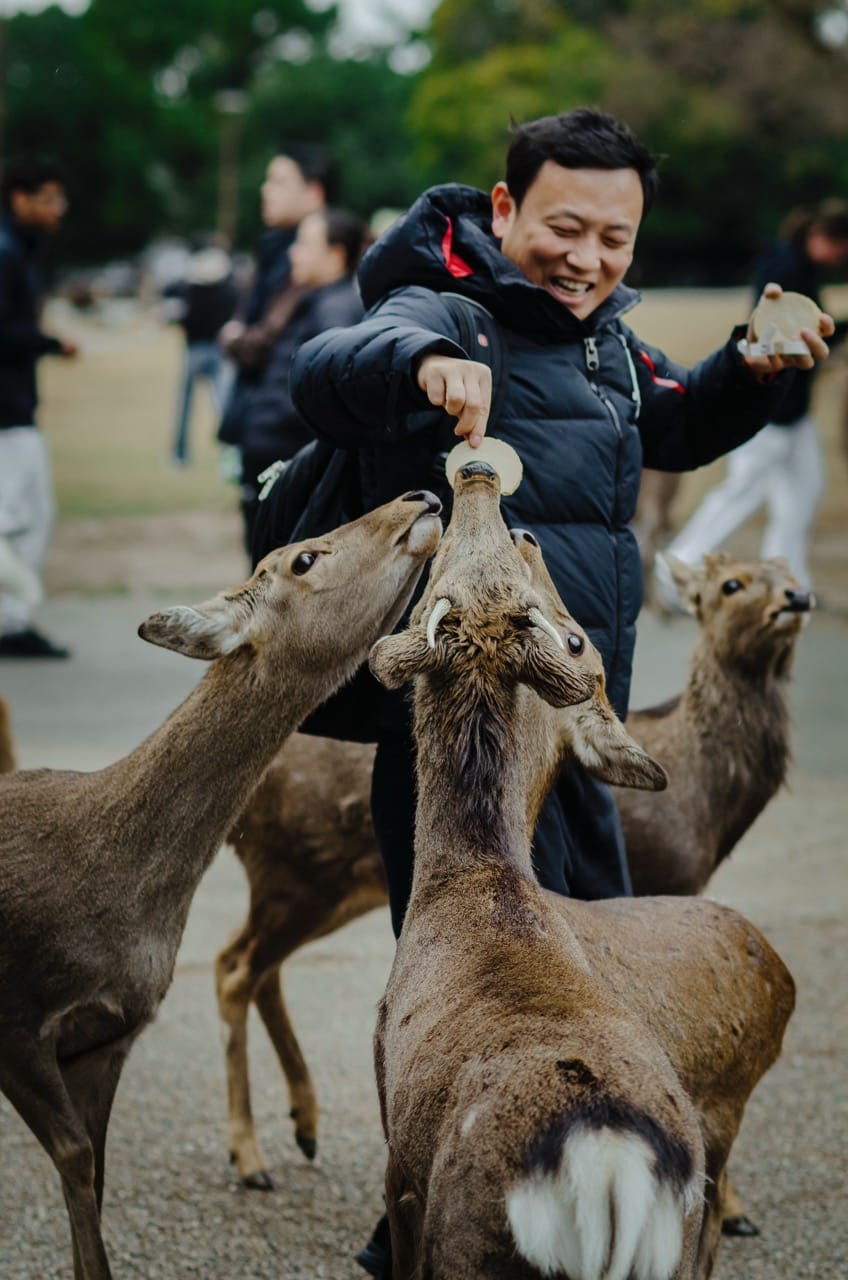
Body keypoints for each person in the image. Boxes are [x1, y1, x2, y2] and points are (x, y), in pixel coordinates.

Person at [286, 107, 833, 1277]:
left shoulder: (604, 343)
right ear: (501, 211)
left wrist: (748, 369)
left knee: (597, 976)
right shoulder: (438, 306)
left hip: (576, 727)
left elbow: (673, 425)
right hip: (463, 744)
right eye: (562, 227)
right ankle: (425, 1215)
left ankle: (603, 1188)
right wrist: (418, 365)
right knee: (462, 989)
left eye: (615, 238)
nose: (587, 257)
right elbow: (323, 370)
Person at [655, 200, 848, 601]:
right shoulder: (783, 268)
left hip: (795, 413)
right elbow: (782, 334)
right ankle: (676, 569)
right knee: (739, 495)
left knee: (803, 493)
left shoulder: (803, 267)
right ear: (821, 237)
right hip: (771, 411)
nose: (840, 257)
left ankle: (787, 583)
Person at [217, 142, 336, 538]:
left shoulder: (313, 264)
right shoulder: (271, 251)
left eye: (280, 181)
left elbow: (257, 342)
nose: (266, 190)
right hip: (257, 424)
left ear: (314, 192)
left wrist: (237, 339)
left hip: (286, 434)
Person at [235, 207, 367, 544]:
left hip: (287, 458)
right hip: (274, 453)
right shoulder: (318, 300)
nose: (294, 253)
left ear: (336, 255)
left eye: (305, 244)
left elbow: (323, 392)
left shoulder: (335, 310)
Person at [0, 158, 78, 659]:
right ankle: (11, 620)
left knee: (30, 514)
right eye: (49, 197)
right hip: (6, 414)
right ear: (19, 198)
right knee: (15, 518)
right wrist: (53, 342)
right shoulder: (6, 253)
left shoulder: (18, 251)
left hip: (16, 409)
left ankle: (13, 619)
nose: (60, 207)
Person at [162, 235, 238, 467]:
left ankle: (224, 451)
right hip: (204, 348)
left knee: (220, 404)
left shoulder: (195, 284)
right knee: (216, 404)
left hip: (209, 349)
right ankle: (188, 453)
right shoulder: (215, 282)